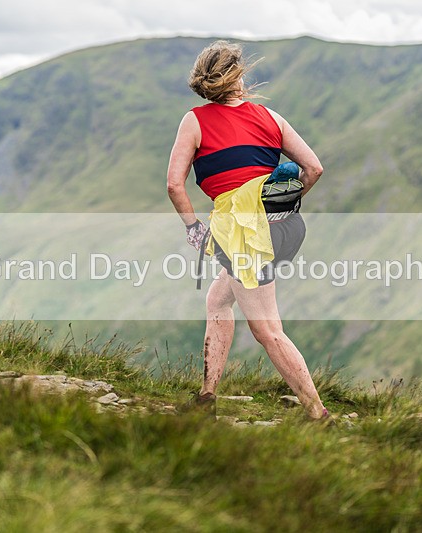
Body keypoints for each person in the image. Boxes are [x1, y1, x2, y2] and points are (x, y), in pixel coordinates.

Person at [166, 40, 330, 421]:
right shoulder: (271, 117)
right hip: (288, 227)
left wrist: (193, 228)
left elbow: (175, 185)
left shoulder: (195, 121)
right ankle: (207, 397)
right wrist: (279, 205)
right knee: (218, 301)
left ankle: (318, 415)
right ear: (239, 75)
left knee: (268, 329)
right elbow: (314, 169)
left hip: (243, 233)